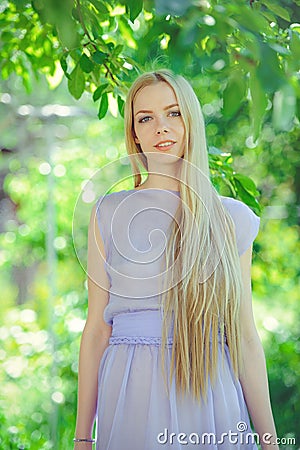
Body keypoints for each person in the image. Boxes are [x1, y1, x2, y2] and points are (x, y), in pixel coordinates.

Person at [73, 69, 279, 450]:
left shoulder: (231, 219)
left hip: (206, 391)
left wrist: (270, 443)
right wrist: (83, 439)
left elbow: (245, 337)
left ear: (191, 121)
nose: (161, 128)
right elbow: (97, 331)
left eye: (173, 113)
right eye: (145, 118)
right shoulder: (108, 213)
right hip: (129, 391)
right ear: (134, 132)